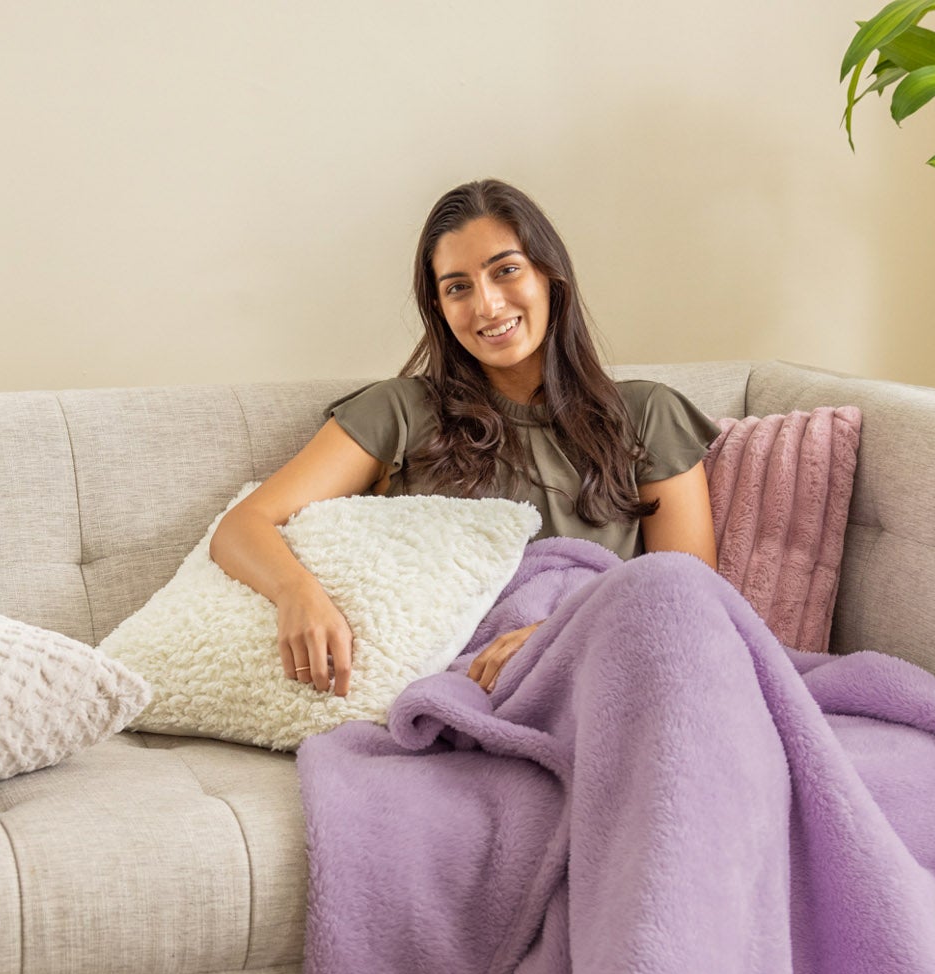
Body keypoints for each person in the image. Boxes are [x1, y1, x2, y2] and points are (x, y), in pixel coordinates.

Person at [208, 178, 721, 699]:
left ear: (550, 276)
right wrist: (298, 594)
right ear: (438, 307)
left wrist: (558, 637)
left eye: (506, 270)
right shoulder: (400, 412)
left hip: (607, 682)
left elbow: (688, 600)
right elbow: (242, 526)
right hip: (461, 694)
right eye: (458, 287)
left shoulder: (647, 415)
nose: (488, 306)